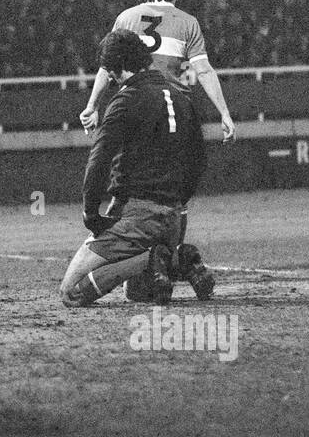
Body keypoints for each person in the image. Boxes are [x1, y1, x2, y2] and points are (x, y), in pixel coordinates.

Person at [79, 0, 235, 249]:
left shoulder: (126, 17)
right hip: (175, 114)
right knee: (176, 191)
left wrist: (92, 105)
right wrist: (224, 113)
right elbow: (204, 71)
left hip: (135, 109)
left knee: (127, 180)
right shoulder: (187, 22)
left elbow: (107, 64)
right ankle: (173, 255)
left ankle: (117, 243)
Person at [60, 30, 216, 307]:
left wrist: (90, 213)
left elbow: (99, 160)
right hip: (173, 217)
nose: (109, 77)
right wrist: (177, 202)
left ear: (120, 65)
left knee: (70, 292)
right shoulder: (181, 97)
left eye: (110, 71)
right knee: (138, 294)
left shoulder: (126, 99)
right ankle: (178, 257)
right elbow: (199, 161)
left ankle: (156, 256)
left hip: (136, 217)